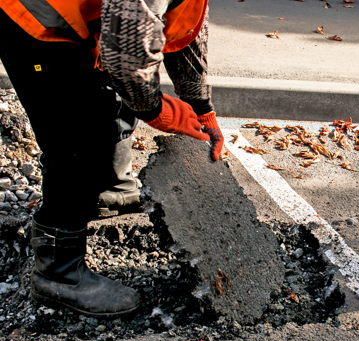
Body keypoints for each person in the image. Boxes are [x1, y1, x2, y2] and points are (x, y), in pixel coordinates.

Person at [0, 0, 224, 316]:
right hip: (32, 17)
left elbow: (184, 24)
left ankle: (107, 190)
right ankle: (57, 272)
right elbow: (126, 55)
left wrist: (201, 106)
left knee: (109, 99)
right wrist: (157, 110)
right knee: (74, 136)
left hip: (72, 15)